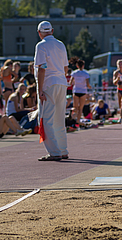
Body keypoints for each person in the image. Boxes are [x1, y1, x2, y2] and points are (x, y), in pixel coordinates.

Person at [34, 21, 70, 161]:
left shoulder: (41, 45)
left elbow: (42, 68)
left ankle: (54, 152)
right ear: (52, 31)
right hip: (61, 83)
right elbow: (65, 68)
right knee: (59, 119)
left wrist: (40, 90)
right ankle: (62, 149)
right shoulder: (61, 45)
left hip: (49, 84)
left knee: (45, 120)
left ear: (39, 33)